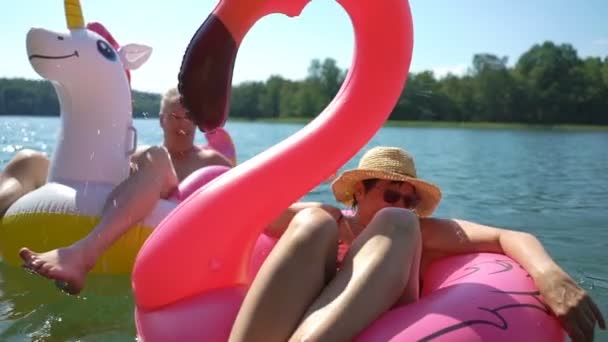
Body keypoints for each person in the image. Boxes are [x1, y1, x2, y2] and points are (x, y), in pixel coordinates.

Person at [229, 146, 606, 342]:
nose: (405, 205)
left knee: (395, 225)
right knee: (313, 218)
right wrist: (306, 170)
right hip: (305, 311)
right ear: (359, 191)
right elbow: (251, 211)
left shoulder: (416, 230)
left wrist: (550, 275)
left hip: (389, 321)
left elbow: (509, 236)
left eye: (411, 200)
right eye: (393, 195)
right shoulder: (331, 221)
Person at [4, 87, 233, 295]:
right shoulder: (138, 157)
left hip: (178, 250)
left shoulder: (213, 163)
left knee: (156, 156)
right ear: (162, 120)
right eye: (175, 117)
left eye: (189, 117)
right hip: (116, 237)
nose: (182, 124)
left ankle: (83, 255)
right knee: (28, 161)